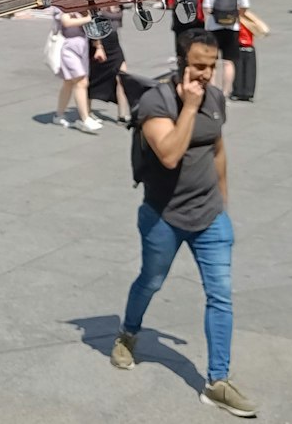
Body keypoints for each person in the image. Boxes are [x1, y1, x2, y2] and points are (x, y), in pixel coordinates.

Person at [111, 33, 255, 418]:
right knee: (151, 281)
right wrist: (189, 106)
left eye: (211, 66)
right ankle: (128, 333)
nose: (207, 75)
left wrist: (223, 203)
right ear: (181, 63)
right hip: (163, 217)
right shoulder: (155, 102)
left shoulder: (215, 98)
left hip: (210, 217)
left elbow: (217, 149)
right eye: (199, 66)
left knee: (221, 295)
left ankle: (216, 382)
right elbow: (171, 155)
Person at [202, 0, 258, 102]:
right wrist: (235, 16)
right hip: (232, 27)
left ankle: (212, 92)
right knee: (229, 62)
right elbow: (244, 6)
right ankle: (226, 92)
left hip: (214, 27)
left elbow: (207, 8)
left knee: (212, 63)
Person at [50, 8, 103, 134]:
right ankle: (85, 119)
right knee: (81, 82)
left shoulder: (83, 7)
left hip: (82, 47)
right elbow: (66, 22)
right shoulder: (61, 7)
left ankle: (59, 114)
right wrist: (88, 18)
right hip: (68, 47)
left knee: (68, 82)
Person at [88, 3, 132, 124]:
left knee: (122, 77)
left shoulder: (119, 3)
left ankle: (122, 115)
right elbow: (92, 23)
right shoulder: (99, 4)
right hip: (101, 44)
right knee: (94, 79)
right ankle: (87, 112)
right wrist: (98, 46)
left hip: (114, 43)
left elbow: (118, 24)